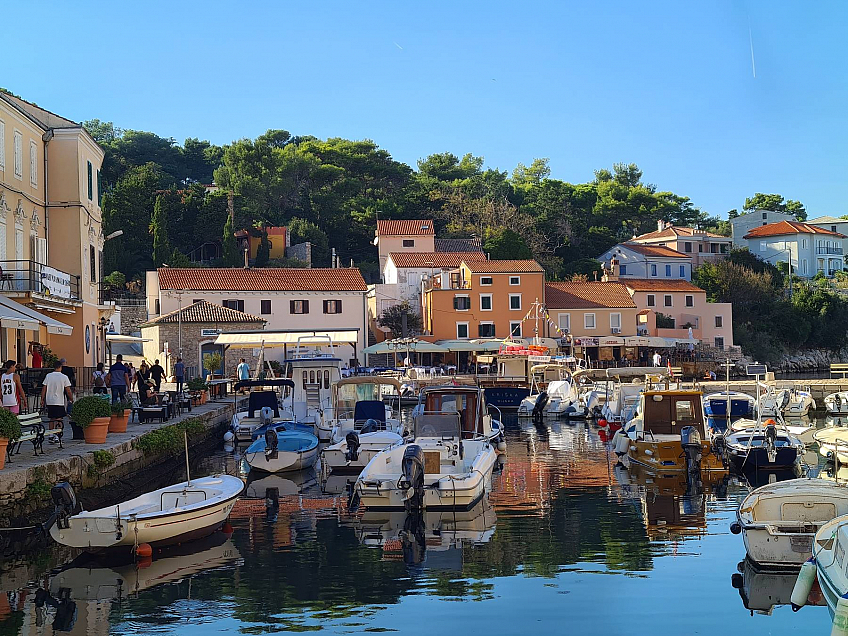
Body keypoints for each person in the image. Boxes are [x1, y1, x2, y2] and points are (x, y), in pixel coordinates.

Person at [41, 360, 72, 434]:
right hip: (59, 401)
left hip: (50, 400)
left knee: (51, 418)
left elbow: (44, 388)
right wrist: (71, 398)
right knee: (59, 418)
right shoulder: (64, 377)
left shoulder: (48, 376)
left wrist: (42, 399)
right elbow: (68, 390)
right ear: (60, 367)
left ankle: (51, 434)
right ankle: (58, 434)